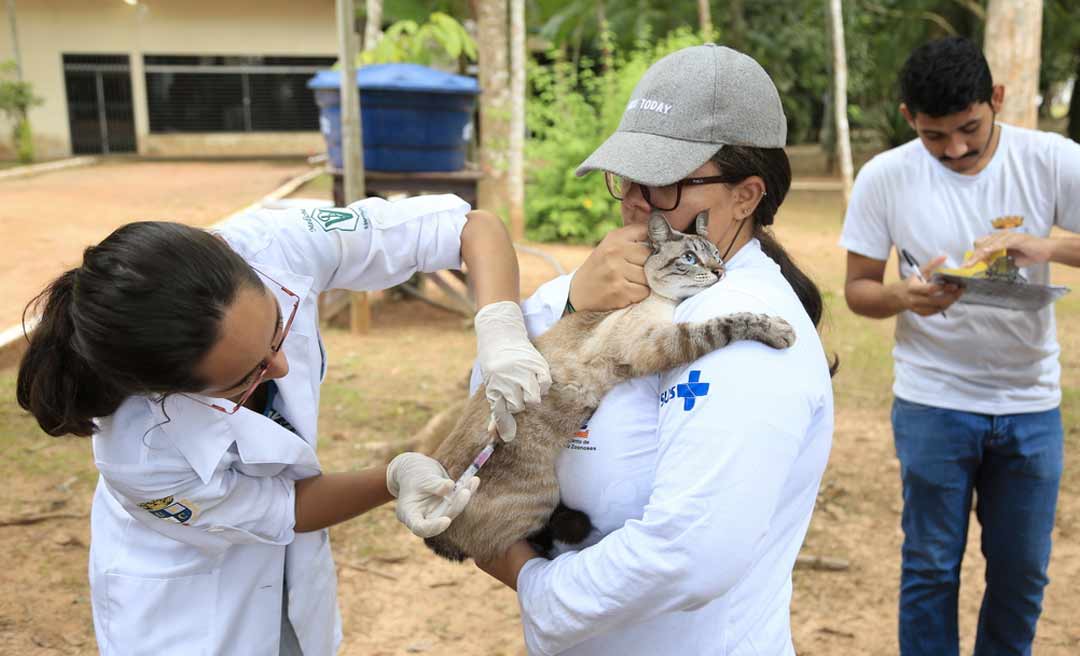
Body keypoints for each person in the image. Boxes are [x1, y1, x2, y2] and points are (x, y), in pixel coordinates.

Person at [15, 194, 551, 655]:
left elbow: (470, 227)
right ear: (167, 390)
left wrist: (500, 327)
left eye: (277, 327)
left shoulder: (277, 243)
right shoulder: (141, 450)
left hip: (288, 582)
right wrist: (393, 477)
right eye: (246, 375)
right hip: (185, 613)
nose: (283, 367)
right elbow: (284, 508)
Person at [472, 44, 835, 655]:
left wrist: (536, 585)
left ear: (746, 195)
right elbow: (478, 432)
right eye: (629, 177)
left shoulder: (748, 333)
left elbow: (690, 553)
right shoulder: (585, 286)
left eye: (665, 183)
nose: (639, 202)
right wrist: (572, 312)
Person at [840, 36, 1080, 655]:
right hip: (932, 401)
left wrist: (1046, 247)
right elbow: (858, 290)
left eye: (970, 128)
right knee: (930, 568)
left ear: (996, 98)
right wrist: (904, 297)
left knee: (1022, 573)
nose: (957, 149)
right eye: (934, 136)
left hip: (1031, 403)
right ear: (907, 120)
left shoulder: (1052, 159)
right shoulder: (884, 178)